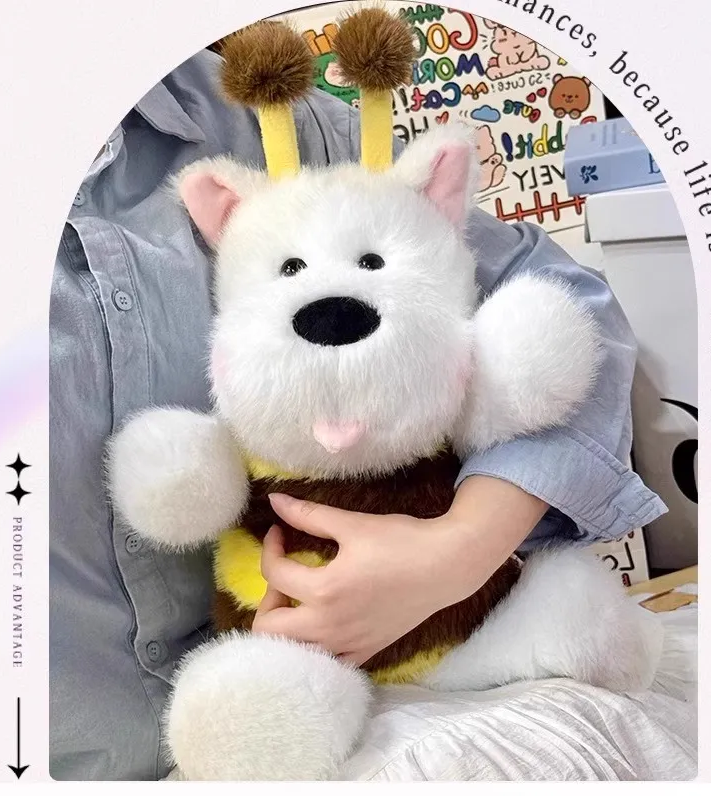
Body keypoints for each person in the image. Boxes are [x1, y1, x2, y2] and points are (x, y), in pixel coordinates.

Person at [49, 44, 666, 781]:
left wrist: (460, 548)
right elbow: (173, 483)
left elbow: (568, 307)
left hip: (436, 694)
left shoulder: (284, 125)